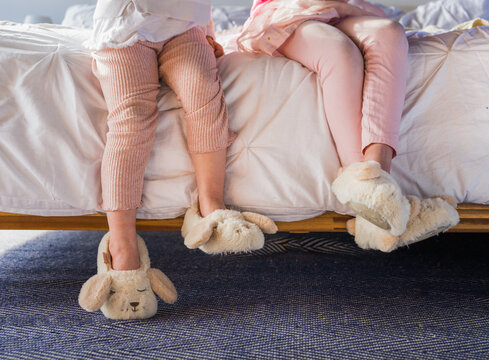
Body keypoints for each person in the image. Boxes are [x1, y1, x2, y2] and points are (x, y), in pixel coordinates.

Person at [82, 0, 275, 316]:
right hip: (124, 25)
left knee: (204, 95)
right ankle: (121, 247)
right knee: (131, 120)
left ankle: (211, 205)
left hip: (183, 27)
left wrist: (207, 28)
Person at [237, 0, 459, 251]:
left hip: (342, 9)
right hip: (290, 11)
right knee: (339, 52)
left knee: (389, 32)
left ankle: (378, 181)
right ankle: (366, 198)